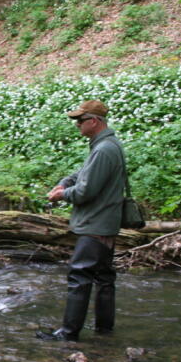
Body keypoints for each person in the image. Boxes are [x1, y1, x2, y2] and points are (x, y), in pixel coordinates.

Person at [36, 99, 126, 342]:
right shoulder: (104, 146)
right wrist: (65, 182)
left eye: (80, 121)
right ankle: (104, 330)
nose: (77, 125)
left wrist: (61, 195)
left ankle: (68, 333)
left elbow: (86, 191)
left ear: (94, 121)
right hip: (104, 222)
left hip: (96, 224)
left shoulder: (104, 149)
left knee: (79, 275)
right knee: (104, 278)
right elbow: (84, 174)